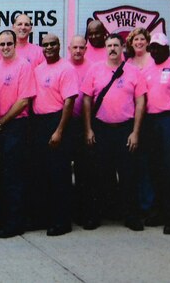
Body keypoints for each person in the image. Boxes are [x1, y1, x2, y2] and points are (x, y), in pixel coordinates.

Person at [82, 33, 147, 232]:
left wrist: (135, 132)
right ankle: (97, 215)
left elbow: (141, 101)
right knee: (99, 175)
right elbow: (86, 99)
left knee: (128, 175)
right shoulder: (94, 70)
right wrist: (89, 129)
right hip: (101, 128)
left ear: (122, 48)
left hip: (125, 129)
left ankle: (131, 217)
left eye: (116, 45)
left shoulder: (134, 71)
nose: (112, 49)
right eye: (109, 45)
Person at [139, 30, 170, 235]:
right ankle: (158, 212)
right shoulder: (148, 68)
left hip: (169, 120)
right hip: (151, 122)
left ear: (167, 48)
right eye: (152, 48)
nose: (155, 51)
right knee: (155, 169)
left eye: (159, 48)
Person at [0, 28, 36, 238]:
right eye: (2, 44)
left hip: (15, 126)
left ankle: (15, 222)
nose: (5, 47)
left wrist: (2, 121)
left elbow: (24, 100)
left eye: (9, 43)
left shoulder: (24, 66)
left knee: (13, 176)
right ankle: (1, 218)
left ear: (15, 45)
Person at [29, 34, 79, 236]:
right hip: (39, 123)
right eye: (46, 45)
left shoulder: (66, 68)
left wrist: (59, 130)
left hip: (58, 121)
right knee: (43, 174)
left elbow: (69, 102)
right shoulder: (38, 70)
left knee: (60, 175)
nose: (49, 47)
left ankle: (62, 221)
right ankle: (45, 218)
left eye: (53, 44)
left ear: (59, 46)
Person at [66, 33, 96, 227]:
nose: (77, 51)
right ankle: (69, 211)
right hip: (65, 124)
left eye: (81, 47)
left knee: (85, 170)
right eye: (74, 47)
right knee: (64, 171)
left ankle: (86, 214)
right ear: (69, 49)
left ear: (86, 49)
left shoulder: (93, 68)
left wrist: (89, 128)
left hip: (85, 123)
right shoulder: (62, 66)